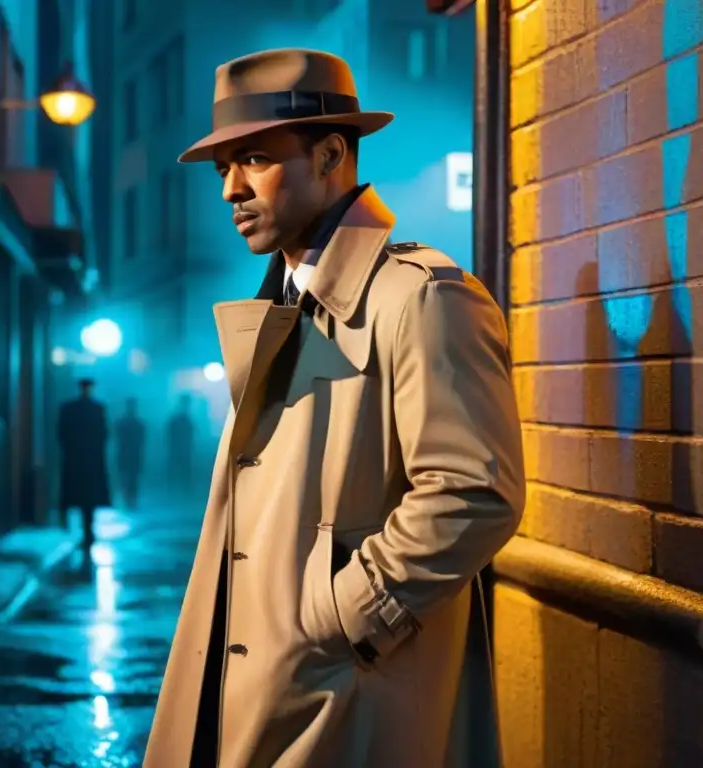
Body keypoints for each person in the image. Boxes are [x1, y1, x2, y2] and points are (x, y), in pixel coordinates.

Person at [143, 49, 525, 768]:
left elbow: (474, 492)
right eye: (222, 167)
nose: (230, 189)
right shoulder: (285, 303)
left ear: (328, 155)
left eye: (254, 158)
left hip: (347, 693)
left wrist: (341, 616)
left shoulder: (423, 296)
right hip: (269, 684)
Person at [57, 378, 110, 545]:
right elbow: (104, 434)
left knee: (79, 497)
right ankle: (86, 530)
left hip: (76, 459)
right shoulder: (97, 409)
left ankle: (79, 528)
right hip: (89, 460)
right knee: (87, 498)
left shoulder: (69, 408)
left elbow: (61, 433)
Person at [115, 397, 146, 509]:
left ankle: (127, 498)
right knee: (133, 478)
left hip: (125, 454)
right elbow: (142, 440)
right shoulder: (139, 423)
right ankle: (131, 499)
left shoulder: (121, 422)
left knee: (126, 477)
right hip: (134, 454)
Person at [165, 393, 195, 497]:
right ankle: (179, 492)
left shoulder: (178, 419)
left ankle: (174, 492)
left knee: (179, 472)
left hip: (180, 449)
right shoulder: (185, 420)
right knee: (182, 472)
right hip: (181, 449)